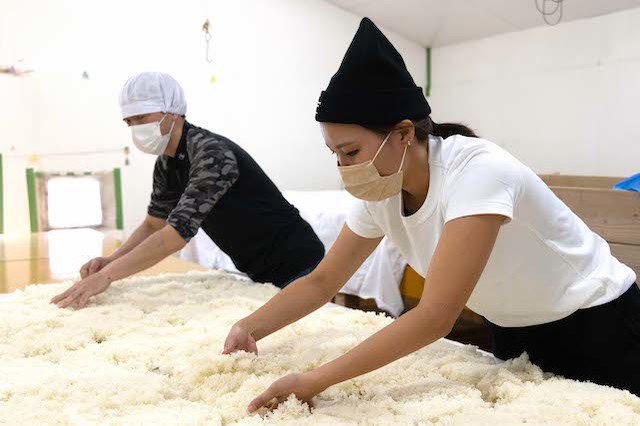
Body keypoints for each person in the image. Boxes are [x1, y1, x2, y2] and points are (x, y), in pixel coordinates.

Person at [222, 18, 639, 411]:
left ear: (404, 134)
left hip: (596, 323)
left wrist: (315, 381)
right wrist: (250, 327)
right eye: (334, 154)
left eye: (350, 152)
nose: (344, 168)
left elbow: (436, 315)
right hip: (513, 326)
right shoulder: (382, 190)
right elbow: (324, 279)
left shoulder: (477, 173)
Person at [51, 72, 324, 309]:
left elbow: (173, 237)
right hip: (257, 268)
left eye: (142, 117)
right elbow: (153, 224)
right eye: (129, 122)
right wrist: (110, 260)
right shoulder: (167, 164)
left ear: (172, 112)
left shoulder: (212, 154)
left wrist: (109, 276)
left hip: (299, 262)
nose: (136, 128)